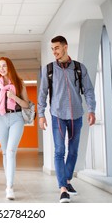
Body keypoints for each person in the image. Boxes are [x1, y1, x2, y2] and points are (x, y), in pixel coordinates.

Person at [38, 35, 96, 203]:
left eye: (57, 48)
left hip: (76, 115)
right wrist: (41, 115)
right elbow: (42, 93)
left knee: (73, 151)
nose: (54, 51)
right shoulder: (49, 69)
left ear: (65, 47)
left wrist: (91, 110)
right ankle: (63, 188)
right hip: (57, 115)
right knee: (59, 151)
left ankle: (67, 181)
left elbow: (89, 90)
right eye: (52, 49)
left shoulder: (79, 68)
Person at [0, 57, 29, 200]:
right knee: (5, 153)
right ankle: (8, 182)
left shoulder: (19, 83)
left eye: (4, 66)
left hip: (16, 118)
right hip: (0, 118)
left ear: (10, 67)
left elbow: (26, 104)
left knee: (11, 151)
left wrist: (14, 97)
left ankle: (9, 187)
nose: (1, 69)